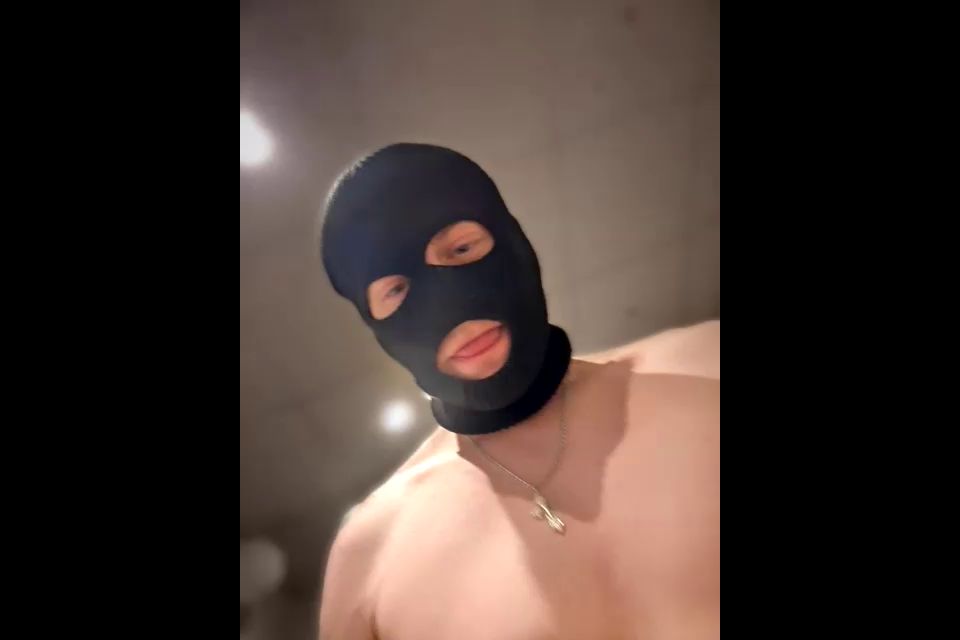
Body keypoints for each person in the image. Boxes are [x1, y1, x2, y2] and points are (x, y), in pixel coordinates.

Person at [318, 144, 720, 640]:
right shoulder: (369, 557)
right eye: (395, 290)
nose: (449, 307)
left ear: (513, 240)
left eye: (462, 249)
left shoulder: (709, 367)